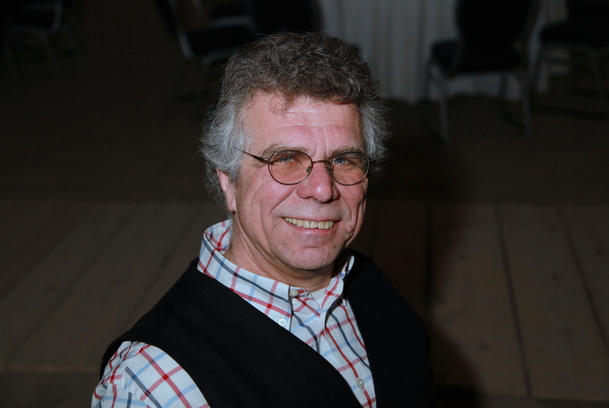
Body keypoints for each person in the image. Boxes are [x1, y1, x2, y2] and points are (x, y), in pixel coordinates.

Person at [92, 31, 432, 408]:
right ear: (228, 180)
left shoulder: (371, 287)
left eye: (343, 159)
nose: (322, 189)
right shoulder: (153, 385)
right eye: (285, 159)